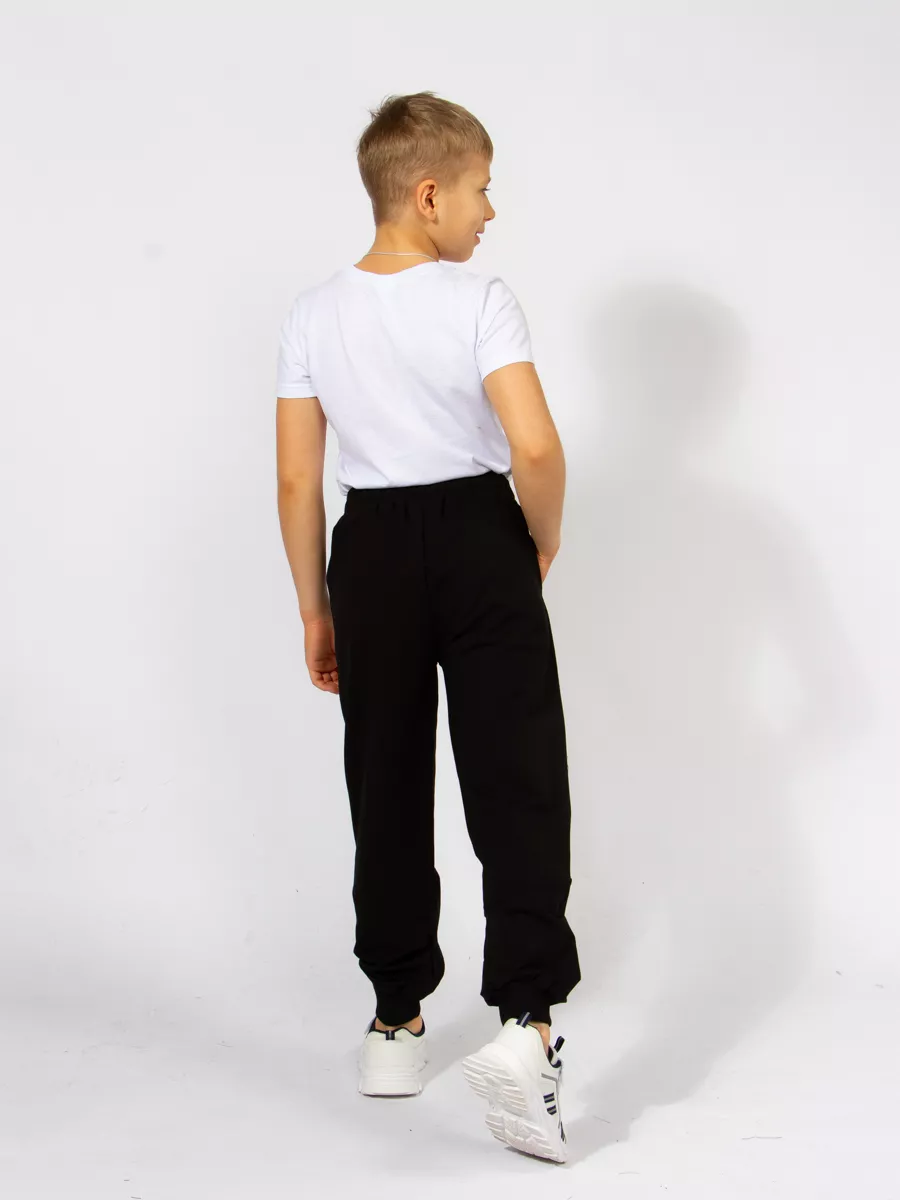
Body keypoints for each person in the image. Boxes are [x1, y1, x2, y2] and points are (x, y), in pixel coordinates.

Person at [274, 91, 580, 1162]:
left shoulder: (313, 313)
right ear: (430, 193)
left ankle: (395, 1023)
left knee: (386, 780)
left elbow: (297, 479)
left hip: (369, 552)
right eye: (484, 189)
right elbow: (533, 447)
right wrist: (540, 539)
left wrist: (316, 606)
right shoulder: (479, 297)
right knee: (517, 778)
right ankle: (528, 1025)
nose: (493, 211)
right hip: (480, 535)